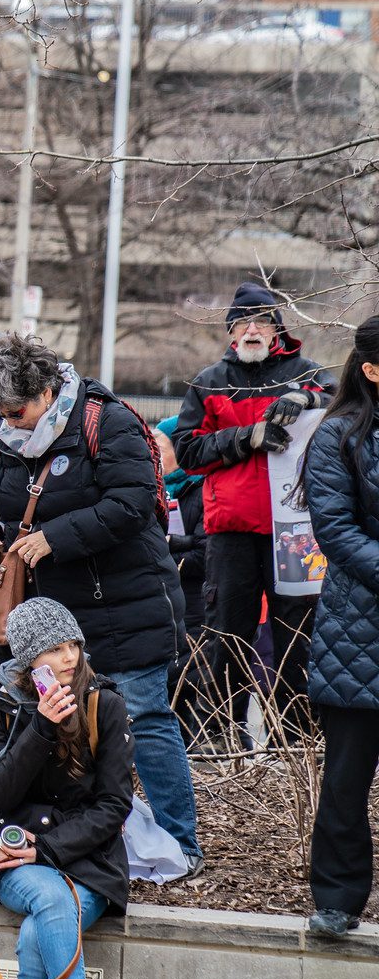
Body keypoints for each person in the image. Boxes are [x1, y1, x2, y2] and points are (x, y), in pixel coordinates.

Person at [0, 334, 201, 872]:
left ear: (45, 391)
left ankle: (181, 843)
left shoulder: (104, 420)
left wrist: (55, 538)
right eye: (0, 413)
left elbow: (133, 502)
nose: (9, 420)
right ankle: (78, 831)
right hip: (55, 617)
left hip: (126, 604)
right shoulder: (10, 434)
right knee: (63, 721)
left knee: (144, 716)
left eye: (16, 410)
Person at [0, 598, 132, 979]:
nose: (69, 658)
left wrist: (46, 849)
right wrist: (39, 728)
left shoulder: (102, 702)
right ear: (27, 659)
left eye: (73, 645)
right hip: (17, 861)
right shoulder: (2, 701)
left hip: (86, 861)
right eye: (54, 649)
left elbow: (115, 805)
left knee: (35, 933)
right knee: (46, 895)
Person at [175, 281, 335, 747]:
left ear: (277, 329)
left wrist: (308, 399)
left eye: (262, 321)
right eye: (242, 322)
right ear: (230, 330)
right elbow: (187, 451)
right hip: (231, 532)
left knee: (295, 637)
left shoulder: (308, 373)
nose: (251, 330)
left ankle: (297, 741)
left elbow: (343, 406)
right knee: (228, 634)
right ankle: (224, 737)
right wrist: (248, 437)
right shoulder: (207, 381)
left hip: (296, 529)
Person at [300, 315, 379, 939]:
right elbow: (338, 531)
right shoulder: (338, 438)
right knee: (347, 779)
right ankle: (337, 899)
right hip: (358, 633)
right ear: (372, 370)